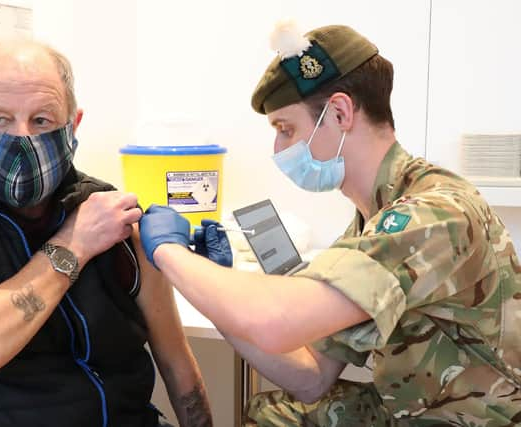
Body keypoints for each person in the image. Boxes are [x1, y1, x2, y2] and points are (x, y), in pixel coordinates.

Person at [138, 22, 521, 426]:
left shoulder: (431, 215)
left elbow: (274, 322)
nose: (278, 149)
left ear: (340, 112)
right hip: (420, 406)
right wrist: (215, 285)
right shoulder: (374, 216)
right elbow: (311, 376)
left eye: (286, 130)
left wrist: (169, 253)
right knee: (277, 413)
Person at [0, 39, 212, 427]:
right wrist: (74, 244)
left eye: (41, 120)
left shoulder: (107, 210)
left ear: (72, 125)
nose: (21, 138)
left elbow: (177, 361)